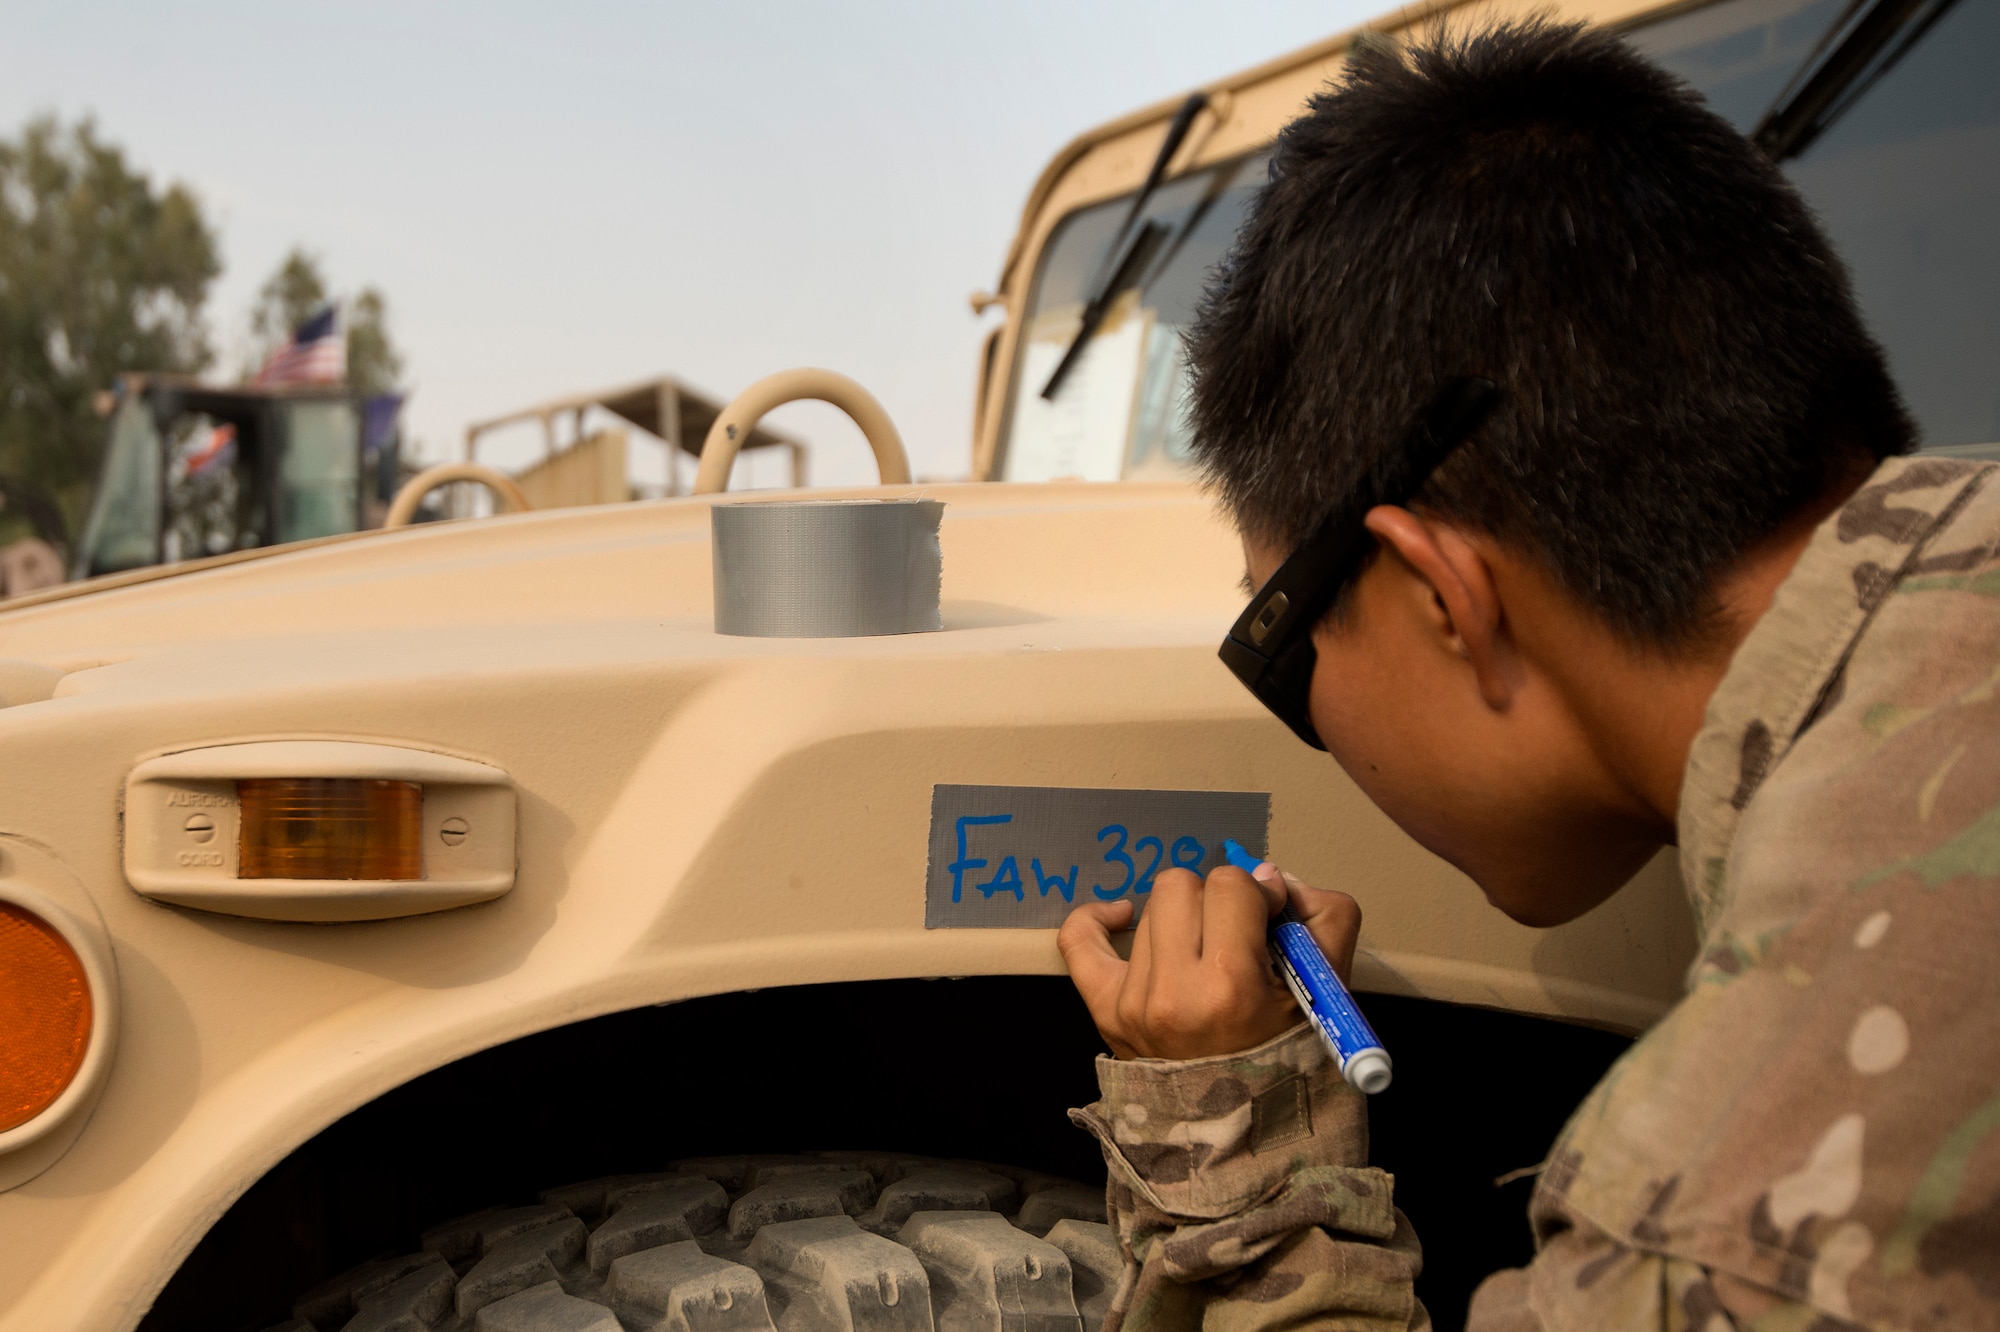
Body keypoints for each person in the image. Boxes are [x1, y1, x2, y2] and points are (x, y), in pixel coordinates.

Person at [1056, 20, 2000, 1331]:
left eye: (1284, 643)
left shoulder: (1745, 1203)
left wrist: (1239, 1180)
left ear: (1447, 600)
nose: (1304, 703)